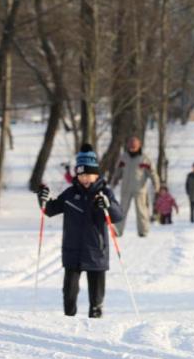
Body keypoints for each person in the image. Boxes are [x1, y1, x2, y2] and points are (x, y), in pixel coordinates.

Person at [37, 147, 123, 318]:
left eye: (89, 174)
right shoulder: (70, 193)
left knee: (96, 292)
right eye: (81, 174)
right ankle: (69, 316)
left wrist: (107, 205)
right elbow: (51, 210)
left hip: (96, 251)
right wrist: (42, 199)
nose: (85, 178)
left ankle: (96, 312)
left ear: (96, 174)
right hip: (72, 250)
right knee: (69, 292)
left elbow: (118, 215)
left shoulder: (104, 193)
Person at [111, 136, 160, 237]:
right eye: (131, 146)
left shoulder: (144, 158)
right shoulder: (123, 157)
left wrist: (156, 184)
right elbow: (117, 171)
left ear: (139, 146)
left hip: (139, 189)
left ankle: (143, 231)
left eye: (134, 146)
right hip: (126, 189)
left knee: (141, 210)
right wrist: (113, 182)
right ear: (128, 146)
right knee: (121, 210)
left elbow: (152, 173)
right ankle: (118, 230)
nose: (132, 148)